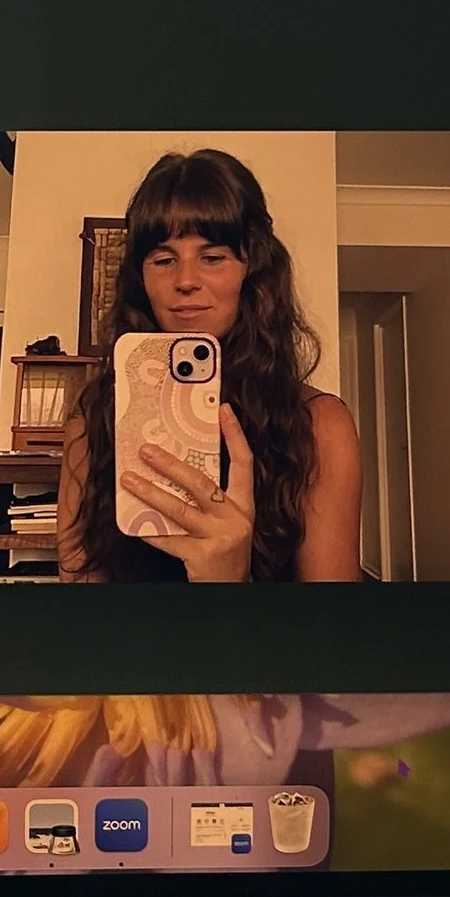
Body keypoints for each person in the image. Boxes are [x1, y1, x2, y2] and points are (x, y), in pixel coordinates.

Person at [56, 148, 362, 584]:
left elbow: (333, 639)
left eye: (212, 257)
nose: (185, 280)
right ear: (140, 279)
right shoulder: (94, 416)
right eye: (163, 260)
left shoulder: (320, 426)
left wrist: (227, 578)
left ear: (250, 267)